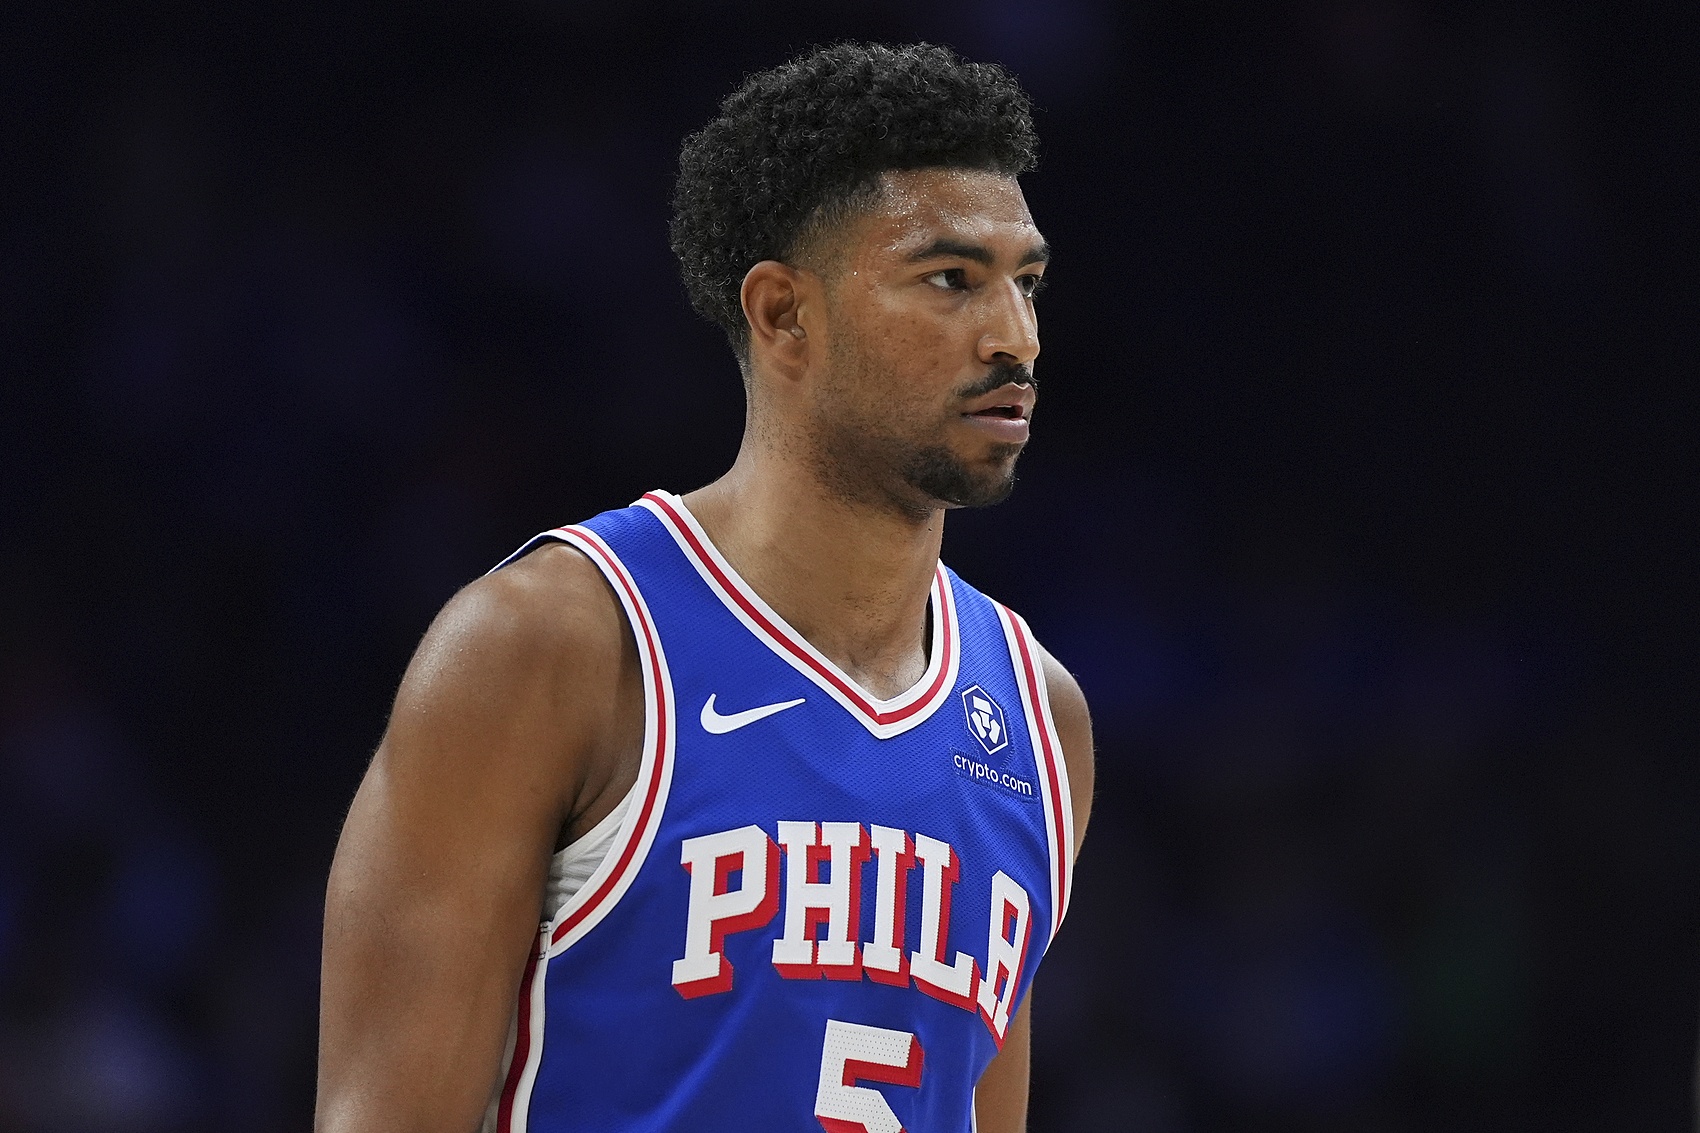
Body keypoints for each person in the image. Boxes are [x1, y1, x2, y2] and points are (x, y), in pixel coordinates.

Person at [316, 41, 1094, 1133]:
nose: (1013, 336)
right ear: (782, 314)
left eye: (1026, 283)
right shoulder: (553, 644)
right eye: (950, 280)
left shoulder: (1037, 717)